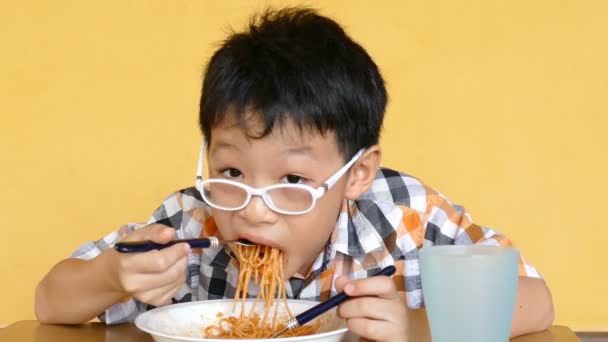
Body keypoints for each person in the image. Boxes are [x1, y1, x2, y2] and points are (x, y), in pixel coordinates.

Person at [34, 7, 554, 340]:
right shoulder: (193, 220)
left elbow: (536, 301)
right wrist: (110, 276)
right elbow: (49, 301)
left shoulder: (401, 213)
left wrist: (418, 328)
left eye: (292, 181)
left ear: (356, 174)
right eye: (231, 169)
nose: (253, 208)